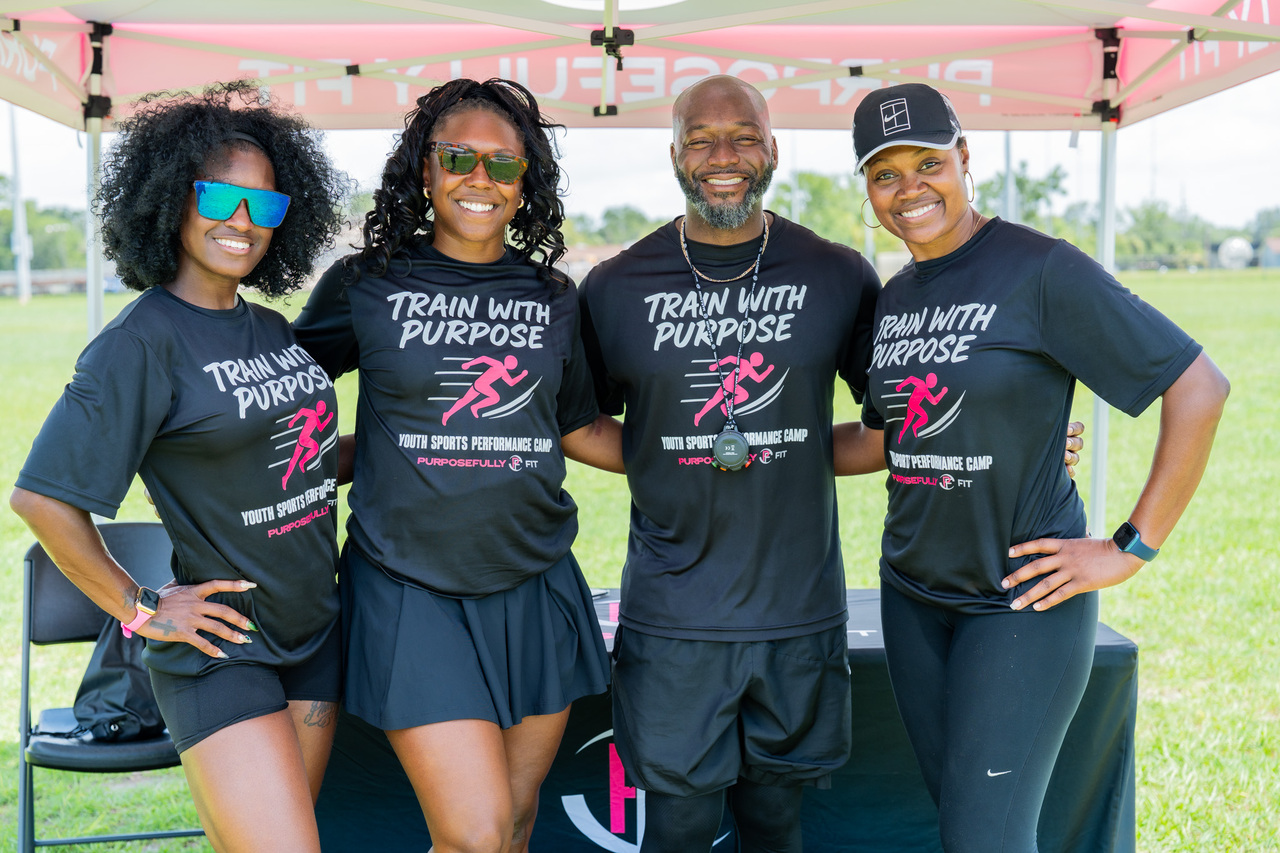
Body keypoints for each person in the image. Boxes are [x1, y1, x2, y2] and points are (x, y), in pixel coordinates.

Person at [852, 82, 1229, 852]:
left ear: (964, 157)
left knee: (985, 837)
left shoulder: (1040, 268)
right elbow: (885, 437)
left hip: (1019, 599)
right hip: (912, 594)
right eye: (886, 174)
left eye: (929, 163)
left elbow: (1198, 387)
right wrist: (761, 445)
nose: (909, 188)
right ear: (868, 189)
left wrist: (1130, 547)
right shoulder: (895, 298)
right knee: (965, 825)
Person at [10, 83, 348, 852]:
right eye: (221, 197)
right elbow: (42, 498)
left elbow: (297, 458)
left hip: (314, 634)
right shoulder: (140, 343)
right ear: (172, 197)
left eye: (265, 205)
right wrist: (141, 609)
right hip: (223, 648)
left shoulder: (269, 328)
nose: (243, 221)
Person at [291, 78, 619, 853]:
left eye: (503, 164)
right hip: (409, 586)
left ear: (525, 181)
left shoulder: (554, 296)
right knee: (474, 833)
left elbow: (577, 426)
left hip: (536, 582)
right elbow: (279, 402)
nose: (480, 178)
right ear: (426, 169)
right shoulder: (366, 285)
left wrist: (683, 457)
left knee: (513, 824)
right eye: (458, 157)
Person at [577, 74, 882, 852]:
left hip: (798, 608)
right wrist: (662, 459)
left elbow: (894, 420)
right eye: (702, 139)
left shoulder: (837, 273)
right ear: (674, 154)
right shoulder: (615, 286)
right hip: (675, 614)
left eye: (744, 137)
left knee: (775, 822)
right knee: (678, 828)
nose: (724, 156)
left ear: (773, 149)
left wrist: (1027, 435)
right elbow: (578, 424)